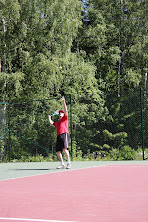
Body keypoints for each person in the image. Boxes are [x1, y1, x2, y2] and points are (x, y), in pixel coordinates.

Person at [48, 96, 71, 169]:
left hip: (65, 134)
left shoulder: (65, 118)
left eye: (62, 113)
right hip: (59, 136)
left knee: (65, 149)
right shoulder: (57, 123)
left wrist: (64, 102)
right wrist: (49, 118)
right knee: (58, 151)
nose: (60, 114)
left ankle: (68, 163)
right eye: (60, 113)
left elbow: (66, 111)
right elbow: (51, 123)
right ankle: (62, 164)